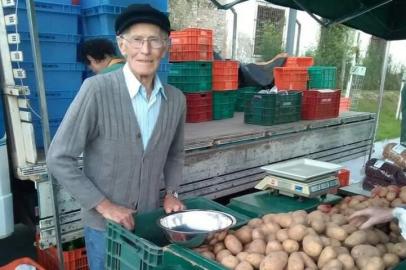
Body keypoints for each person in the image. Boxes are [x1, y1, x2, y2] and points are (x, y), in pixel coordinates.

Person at [46, 4, 186, 269]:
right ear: (122, 45)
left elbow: (175, 154)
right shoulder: (96, 90)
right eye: (136, 40)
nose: (145, 50)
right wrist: (104, 205)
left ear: (165, 47)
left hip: (148, 221)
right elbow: (58, 157)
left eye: (154, 40)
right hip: (104, 226)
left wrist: (172, 192)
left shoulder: (176, 100)